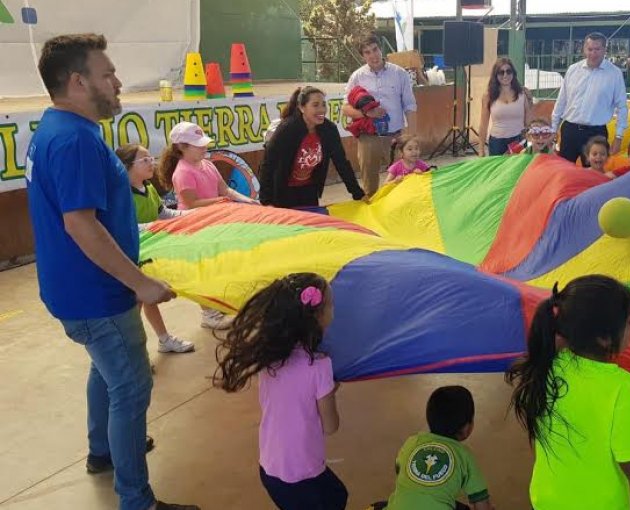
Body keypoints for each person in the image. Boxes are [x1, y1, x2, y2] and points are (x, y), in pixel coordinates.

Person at [25, 33, 197, 510]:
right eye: (108, 74)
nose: (118, 82)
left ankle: (102, 452)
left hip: (76, 289)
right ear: (78, 81)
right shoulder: (75, 140)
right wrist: (140, 283)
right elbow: (80, 225)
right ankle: (136, 499)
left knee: (106, 371)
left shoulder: (58, 130)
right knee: (131, 385)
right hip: (96, 294)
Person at [506, 276, 630, 509]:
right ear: (603, 338)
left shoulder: (546, 365)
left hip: (547, 496)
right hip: (599, 502)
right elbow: (629, 458)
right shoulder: (621, 386)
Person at [214, 273, 346, 510]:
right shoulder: (319, 366)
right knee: (336, 499)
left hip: (270, 469)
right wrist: (330, 392)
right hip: (303, 473)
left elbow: (293, 395)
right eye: (331, 305)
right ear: (317, 317)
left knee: (337, 495)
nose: (334, 310)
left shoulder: (270, 356)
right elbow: (331, 426)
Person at [158, 121, 258, 331]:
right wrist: (223, 203)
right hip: (196, 224)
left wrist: (247, 200)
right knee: (204, 269)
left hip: (217, 220)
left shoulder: (208, 165)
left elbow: (225, 190)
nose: (204, 148)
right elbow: (193, 203)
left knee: (222, 264)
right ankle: (209, 313)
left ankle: (220, 304)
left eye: (203, 144)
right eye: (198, 145)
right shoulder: (183, 172)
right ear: (181, 147)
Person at [116, 143, 193, 354]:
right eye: (144, 160)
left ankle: (163, 339)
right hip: (130, 259)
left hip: (147, 255)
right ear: (126, 166)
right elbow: (129, 227)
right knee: (134, 309)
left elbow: (164, 214)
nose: (152, 163)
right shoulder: (121, 195)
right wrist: (159, 228)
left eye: (152, 158)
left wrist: (193, 216)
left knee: (147, 300)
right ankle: (134, 354)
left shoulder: (148, 188)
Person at [378, 386, 493, 510]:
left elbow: (399, 470)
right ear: (466, 428)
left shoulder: (412, 441)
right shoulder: (465, 455)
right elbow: (481, 503)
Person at [259, 86, 366, 208]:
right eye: (315, 105)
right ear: (302, 107)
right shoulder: (287, 129)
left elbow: (341, 163)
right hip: (283, 190)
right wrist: (266, 202)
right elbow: (268, 163)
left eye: (323, 105)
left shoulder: (329, 130)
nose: (322, 110)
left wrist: (358, 194)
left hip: (309, 189)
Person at [342, 33, 417, 197]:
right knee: (370, 186)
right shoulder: (357, 77)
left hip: (396, 137)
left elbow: (410, 105)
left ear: (380, 49)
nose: (373, 55)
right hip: (369, 138)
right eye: (367, 52)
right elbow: (345, 108)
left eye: (375, 49)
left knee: (402, 183)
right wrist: (366, 113)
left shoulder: (399, 74)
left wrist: (411, 138)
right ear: (363, 56)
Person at [551, 33, 628, 166]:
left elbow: (622, 107)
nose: (593, 53)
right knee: (564, 171)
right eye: (590, 49)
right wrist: (553, 129)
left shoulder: (614, 74)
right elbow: (561, 101)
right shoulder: (573, 70)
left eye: (597, 49)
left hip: (596, 133)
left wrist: (619, 136)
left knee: (593, 175)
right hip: (570, 130)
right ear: (584, 49)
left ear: (604, 50)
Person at [478, 58, 532, 156]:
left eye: (508, 71)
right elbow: (483, 125)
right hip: (497, 143)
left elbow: (528, 122)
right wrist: (481, 149)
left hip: (518, 141)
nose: (505, 75)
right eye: (501, 72)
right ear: (496, 75)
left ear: (513, 73)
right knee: (498, 171)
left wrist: (530, 141)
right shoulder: (488, 96)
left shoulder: (523, 93)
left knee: (517, 171)